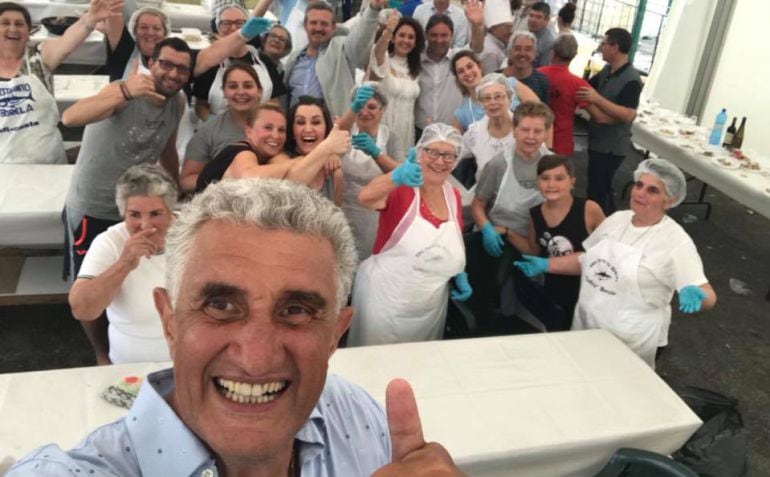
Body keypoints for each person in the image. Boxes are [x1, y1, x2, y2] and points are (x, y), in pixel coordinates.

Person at [8, 179, 464, 476]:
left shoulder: (358, 416)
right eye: (221, 304)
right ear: (169, 320)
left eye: (297, 310)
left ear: (335, 334)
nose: (257, 357)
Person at [62, 37, 191, 365]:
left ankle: (137, 336)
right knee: (92, 282)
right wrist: (125, 92)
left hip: (141, 206)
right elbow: (71, 117)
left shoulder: (177, 103)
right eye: (166, 64)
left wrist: (174, 191)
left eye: (182, 68)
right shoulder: (124, 89)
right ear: (152, 62)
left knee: (137, 282)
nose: (173, 73)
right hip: (96, 204)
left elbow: (167, 148)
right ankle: (102, 352)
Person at [515, 159, 717, 368]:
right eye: (639, 185)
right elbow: (589, 259)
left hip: (630, 339)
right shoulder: (618, 219)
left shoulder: (675, 241)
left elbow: (708, 295)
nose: (640, 193)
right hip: (587, 325)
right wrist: (547, 265)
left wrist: (696, 294)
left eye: (653, 190)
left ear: (669, 200)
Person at [349, 124, 472, 346]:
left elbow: (455, 239)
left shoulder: (453, 195)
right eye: (432, 152)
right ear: (420, 153)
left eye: (448, 155)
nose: (439, 161)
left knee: (419, 365)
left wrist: (459, 272)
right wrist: (396, 176)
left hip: (429, 309)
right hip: (385, 303)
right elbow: (365, 197)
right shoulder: (404, 188)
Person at [69, 164, 177, 364]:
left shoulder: (193, 233)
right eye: (134, 215)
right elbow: (82, 309)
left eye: (155, 214)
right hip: (129, 364)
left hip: (189, 361)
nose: (145, 225)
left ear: (170, 211)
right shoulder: (110, 242)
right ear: (123, 214)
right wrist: (125, 263)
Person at [0, 0, 121, 164]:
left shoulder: (40, 57)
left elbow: (66, 41)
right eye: (5, 23)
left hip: (47, 163)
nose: (13, 28)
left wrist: (89, 20)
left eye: (20, 24)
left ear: (29, 32)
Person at [519, 155, 604, 329]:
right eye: (545, 178)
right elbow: (533, 250)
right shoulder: (535, 214)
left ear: (572, 181)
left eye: (559, 178)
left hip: (588, 292)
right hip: (554, 291)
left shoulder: (589, 209)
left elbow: (610, 249)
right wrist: (505, 232)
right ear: (537, 182)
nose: (551, 185)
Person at [195, 101, 349, 194]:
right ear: (248, 131)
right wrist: (322, 151)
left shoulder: (268, 157)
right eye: (268, 127)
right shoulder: (242, 152)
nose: (275, 136)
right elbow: (249, 178)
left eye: (281, 130)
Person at [471, 101, 553, 257]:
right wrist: (487, 229)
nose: (530, 137)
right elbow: (477, 206)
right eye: (524, 130)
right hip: (500, 242)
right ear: (514, 131)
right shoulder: (498, 164)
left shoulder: (553, 165)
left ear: (546, 133)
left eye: (537, 131)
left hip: (536, 244)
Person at [576, 27, 642, 215]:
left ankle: (604, 226)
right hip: (598, 140)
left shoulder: (631, 80)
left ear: (615, 47)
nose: (601, 47)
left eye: (604, 44)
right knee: (596, 188)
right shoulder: (607, 70)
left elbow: (629, 114)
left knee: (600, 191)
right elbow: (587, 87)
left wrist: (596, 100)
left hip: (611, 147)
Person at [285, 0, 386, 118]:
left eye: (324, 24)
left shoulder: (341, 48)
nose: (318, 28)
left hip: (333, 128)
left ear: (333, 27)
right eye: (313, 23)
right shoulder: (294, 58)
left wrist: (373, 9)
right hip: (296, 129)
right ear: (305, 25)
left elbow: (360, 41)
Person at [336, 83, 400, 260]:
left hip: (374, 216)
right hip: (344, 211)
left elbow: (399, 174)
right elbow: (336, 135)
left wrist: (377, 153)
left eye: (371, 107)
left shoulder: (391, 137)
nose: (364, 112)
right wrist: (351, 110)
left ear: (382, 110)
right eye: (359, 106)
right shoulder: (346, 130)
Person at [191, 6, 289, 120]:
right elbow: (201, 105)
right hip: (219, 132)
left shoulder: (264, 61)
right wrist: (216, 125)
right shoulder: (210, 63)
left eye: (239, 23)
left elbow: (274, 100)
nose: (233, 28)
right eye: (226, 23)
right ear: (218, 29)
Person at [180, 62, 262, 194]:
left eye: (248, 86)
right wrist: (224, 180)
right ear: (224, 92)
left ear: (259, 91)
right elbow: (186, 181)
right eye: (233, 86)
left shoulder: (276, 125)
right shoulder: (208, 131)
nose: (240, 92)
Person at [415, 1, 485, 138]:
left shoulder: (458, 58)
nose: (439, 40)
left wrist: (477, 25)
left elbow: (476, 47)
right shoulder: (416, 59)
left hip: (452, 131)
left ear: (451, 36)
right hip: (419, 131)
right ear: (426, 35)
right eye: (434, 35)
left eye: (444, 35)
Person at [369, 14, 423, 161]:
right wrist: (388, 31)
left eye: (411, 37)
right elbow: (377, 53)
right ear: (393, 38)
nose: (406, 40)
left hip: (405, 133)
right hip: (383, 127)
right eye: (402, 35)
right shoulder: (384, 58)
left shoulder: (416, 70)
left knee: (399, 177)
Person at [278, 96, 346, 204]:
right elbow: (289, 190)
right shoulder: (279, 158)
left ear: (326, 129)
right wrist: (326, 149)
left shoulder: (334, 172)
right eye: (300, 122)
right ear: (291, 129)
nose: (308, 129)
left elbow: (336, 215)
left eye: (316, 122)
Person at [450, 51, 538, 132]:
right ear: (457, 78)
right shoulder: (462, 114)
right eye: (461, 71)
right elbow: (454, 144)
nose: (467, 73)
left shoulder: (511, 84)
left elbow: (541, 113)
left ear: (479, 67)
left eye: (470, 66)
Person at [538, 33, 590, 156]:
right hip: (562, 142)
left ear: (553, 52)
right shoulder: (578, 84)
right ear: (574, 56)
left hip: (536, 137)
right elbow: (597, 115)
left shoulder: (537, 75)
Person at [459, 73, 516, 182]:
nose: (493, 102)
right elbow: (454, 154)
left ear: (509, 98)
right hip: (485, 196)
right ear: (481, 103)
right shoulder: (475, 133)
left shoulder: (525, 128)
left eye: (498, 96)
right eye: (487, 98)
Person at [502, 31, 550, 103]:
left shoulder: (541, 81)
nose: (522, 53)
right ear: (510, 52)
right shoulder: (498, 77)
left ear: (534, 53)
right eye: (517, 49)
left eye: (528, 49)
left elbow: (543, 111)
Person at [480, 0, 513, 74]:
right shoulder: (491, 52)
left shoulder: (501, 43)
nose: (510, 31)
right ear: (493, 29)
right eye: (506, 27)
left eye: (511, 27)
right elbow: (491, 78)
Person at [527, 1, 556, 68]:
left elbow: (543, 70)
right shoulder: (525, 33)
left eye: (538, 17)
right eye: (531, 15)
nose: (533, 20)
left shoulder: (549, 42)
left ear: (547, 20)